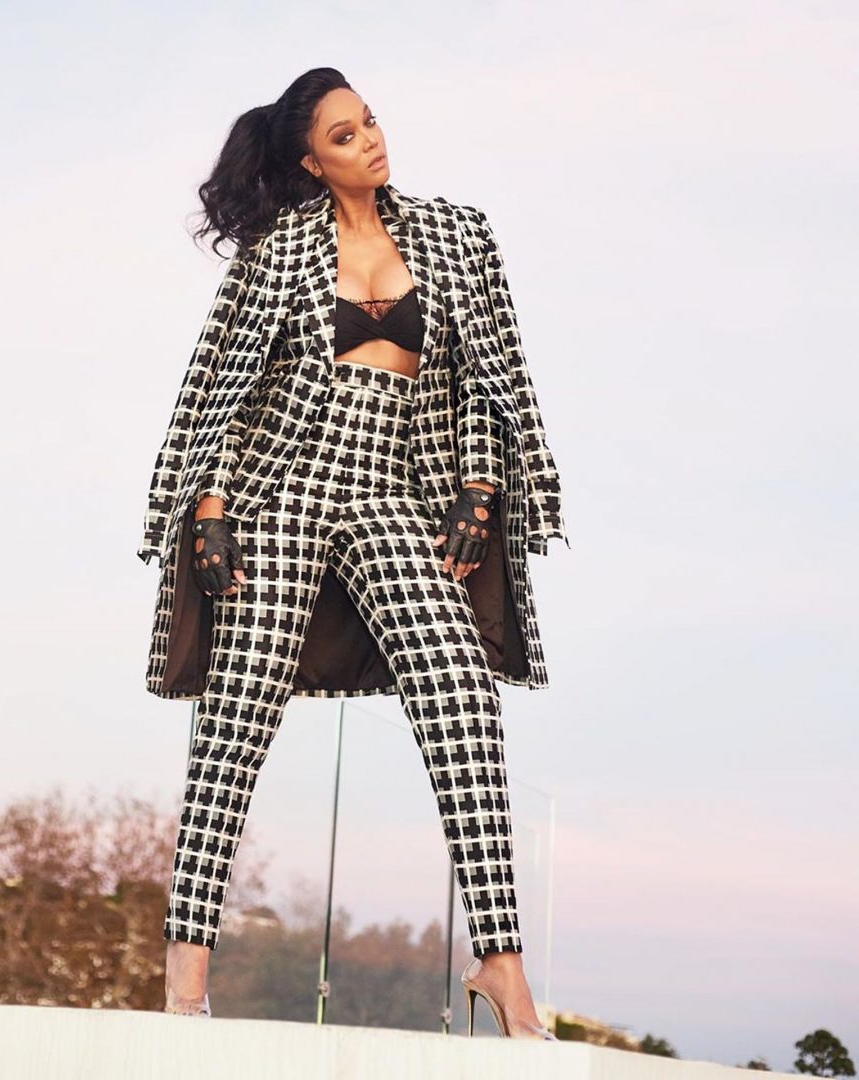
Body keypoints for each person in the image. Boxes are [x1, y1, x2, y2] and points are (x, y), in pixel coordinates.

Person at [141, 67, 568, 1040]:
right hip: (282, 487)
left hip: (388, 491)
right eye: (344, 135)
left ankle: (501, 966)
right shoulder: (281, 250)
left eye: (368, 121)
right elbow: (225, 383)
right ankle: (184, 975)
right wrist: (210, 506)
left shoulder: (457, 234)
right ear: (309, 162)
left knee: (462, 698)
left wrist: (479, 486)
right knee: (235, 721)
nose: (369, 139)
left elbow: (481, 375)